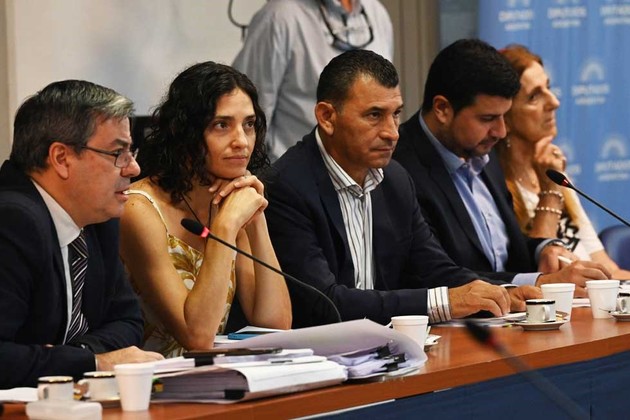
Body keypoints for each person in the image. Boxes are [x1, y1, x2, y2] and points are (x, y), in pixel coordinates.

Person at [264, 49, 540, 328]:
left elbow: (434, 269)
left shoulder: (394, 179)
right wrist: (444, 303)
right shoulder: (286, 186)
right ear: (327, 117)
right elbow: (324, 302)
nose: (392, 132)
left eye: (396, 114)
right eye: (374, 115)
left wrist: (501, 293)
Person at [394, 39, 611, 298]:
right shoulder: (399, 169)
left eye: (503, 117)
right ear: (442, 109)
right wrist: (541, 282)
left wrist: (544, 248)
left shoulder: (481, 152)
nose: (501, 132)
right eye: (488, 118)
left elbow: (506, 251)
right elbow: (437, 274)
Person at [120, 62, 292, 358]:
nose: (241, 141)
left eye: (249, 124)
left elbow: (275, 324)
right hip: (150, 379)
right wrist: (225, 226)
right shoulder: (139, 209)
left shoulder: (233, 201)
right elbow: (197, 336)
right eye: (222, 125)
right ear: (184, 132)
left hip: (210, 376)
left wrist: (256, 219)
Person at [0, 80, 163, 389]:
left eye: (131, 151)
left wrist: (79, 354)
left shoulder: (98, 217)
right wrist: (95, 363)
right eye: (118, 153)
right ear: (61, 158)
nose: (134, 168)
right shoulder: (11, 222)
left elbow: (128, 321)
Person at [496, 44, 630, 280]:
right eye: (534, 96)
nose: (554, 102)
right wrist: (550, 191)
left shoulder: (557, 175)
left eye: (548, 88)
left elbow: (609, 270)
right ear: (504, 116)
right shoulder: (499, 190)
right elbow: (542, 277)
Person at [233, 0, 393, 160]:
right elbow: (248, 110)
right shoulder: (279, 17)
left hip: (366, 169)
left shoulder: (376, 13)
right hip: (297, 169)